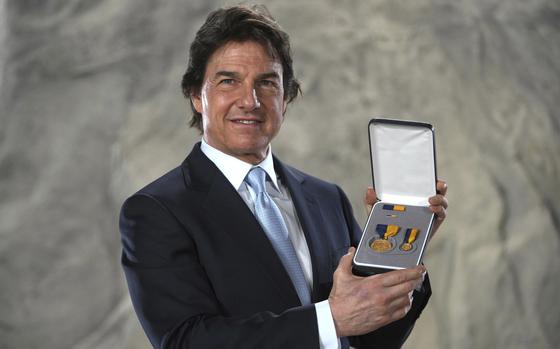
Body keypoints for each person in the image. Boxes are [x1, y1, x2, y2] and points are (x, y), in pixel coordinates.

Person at [119, 4, 448, 349]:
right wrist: (330, 319)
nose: (250, 101)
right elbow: (186, 341)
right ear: (196, 96)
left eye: (266, 83)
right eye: (228, 81)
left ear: (286, 97)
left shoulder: (327, 199)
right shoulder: (155, 212)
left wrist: (400, 253)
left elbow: (370, 340)